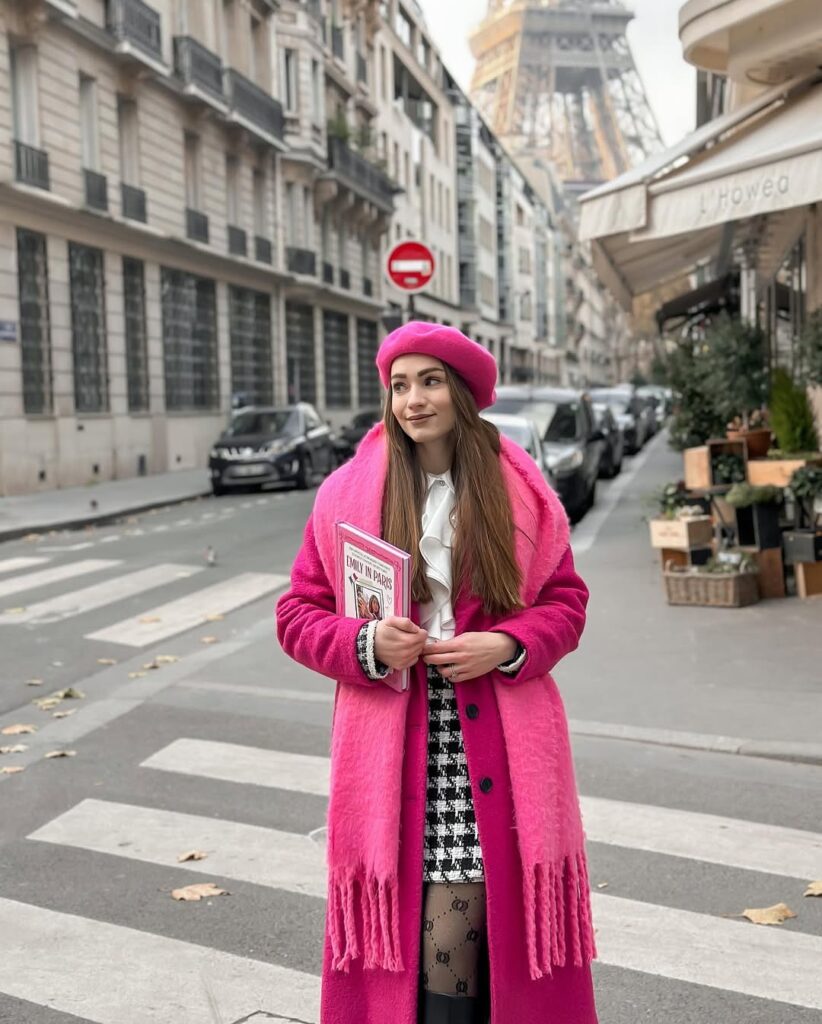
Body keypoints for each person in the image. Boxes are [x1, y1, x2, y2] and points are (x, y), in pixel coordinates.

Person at [276, 322, 598, 1024]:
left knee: (463, 943)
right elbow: (297, 614)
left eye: (429, 381)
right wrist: (366, 643)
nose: (413, 400)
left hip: (498, 746)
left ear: (460, 391)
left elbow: (567, 605)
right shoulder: (346, 493)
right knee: (435, 952)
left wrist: (506, 646)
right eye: (399, 385)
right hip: (392, 748)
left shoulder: (520, 490)